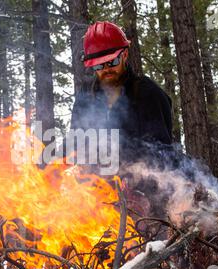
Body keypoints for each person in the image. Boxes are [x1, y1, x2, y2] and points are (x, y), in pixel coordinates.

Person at [70, 21, 173, 165]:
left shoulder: (147, 93)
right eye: (99, 65)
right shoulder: (85, 97)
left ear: (124, 55)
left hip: (141, 182)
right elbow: (75, 144)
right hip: (94, 184)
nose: (106, 69)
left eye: (112, 62)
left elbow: (162, 153)